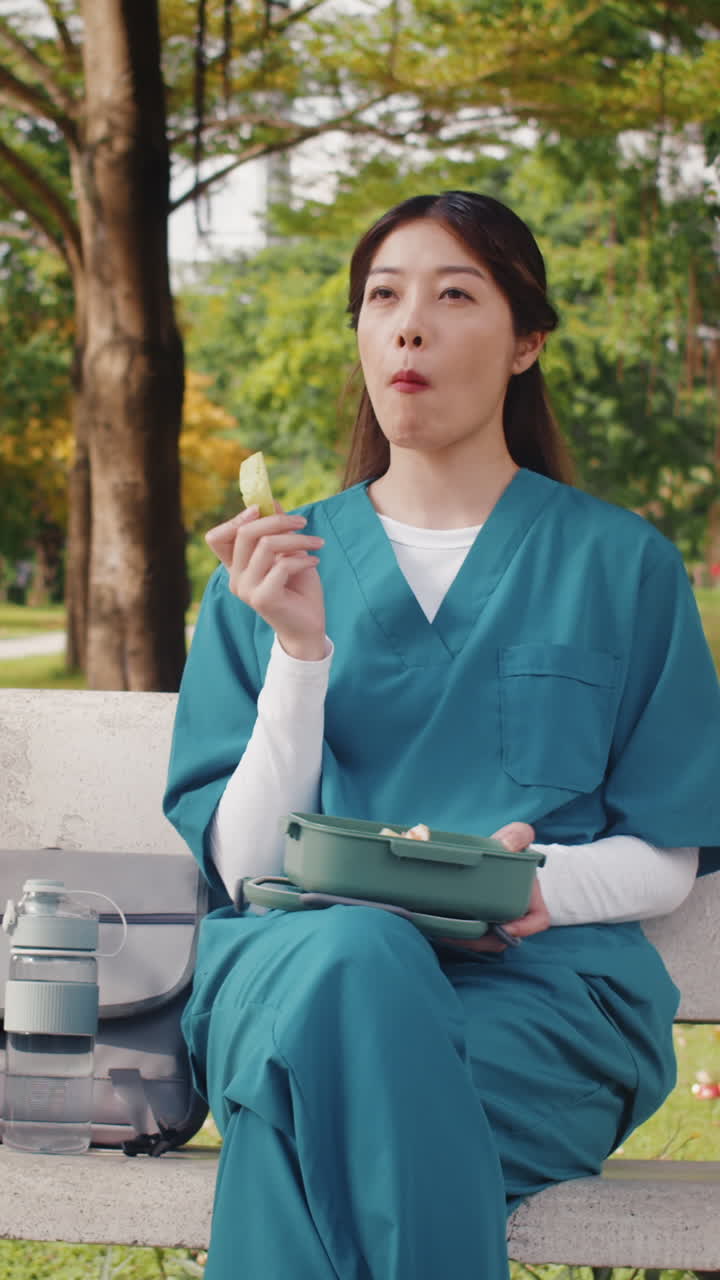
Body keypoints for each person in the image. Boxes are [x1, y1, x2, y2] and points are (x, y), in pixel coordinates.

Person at [164, 191, 720, 1279]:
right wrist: (300, 654)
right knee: (356, 954)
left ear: (527, 342)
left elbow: (665, 852)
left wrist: (529, 885)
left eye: (453, 295)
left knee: (294, 1123)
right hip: (294, 970)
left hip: (540, 1007)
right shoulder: (270, 572)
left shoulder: (623, 567)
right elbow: (246, 865)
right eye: (383, 298)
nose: (408, 326)